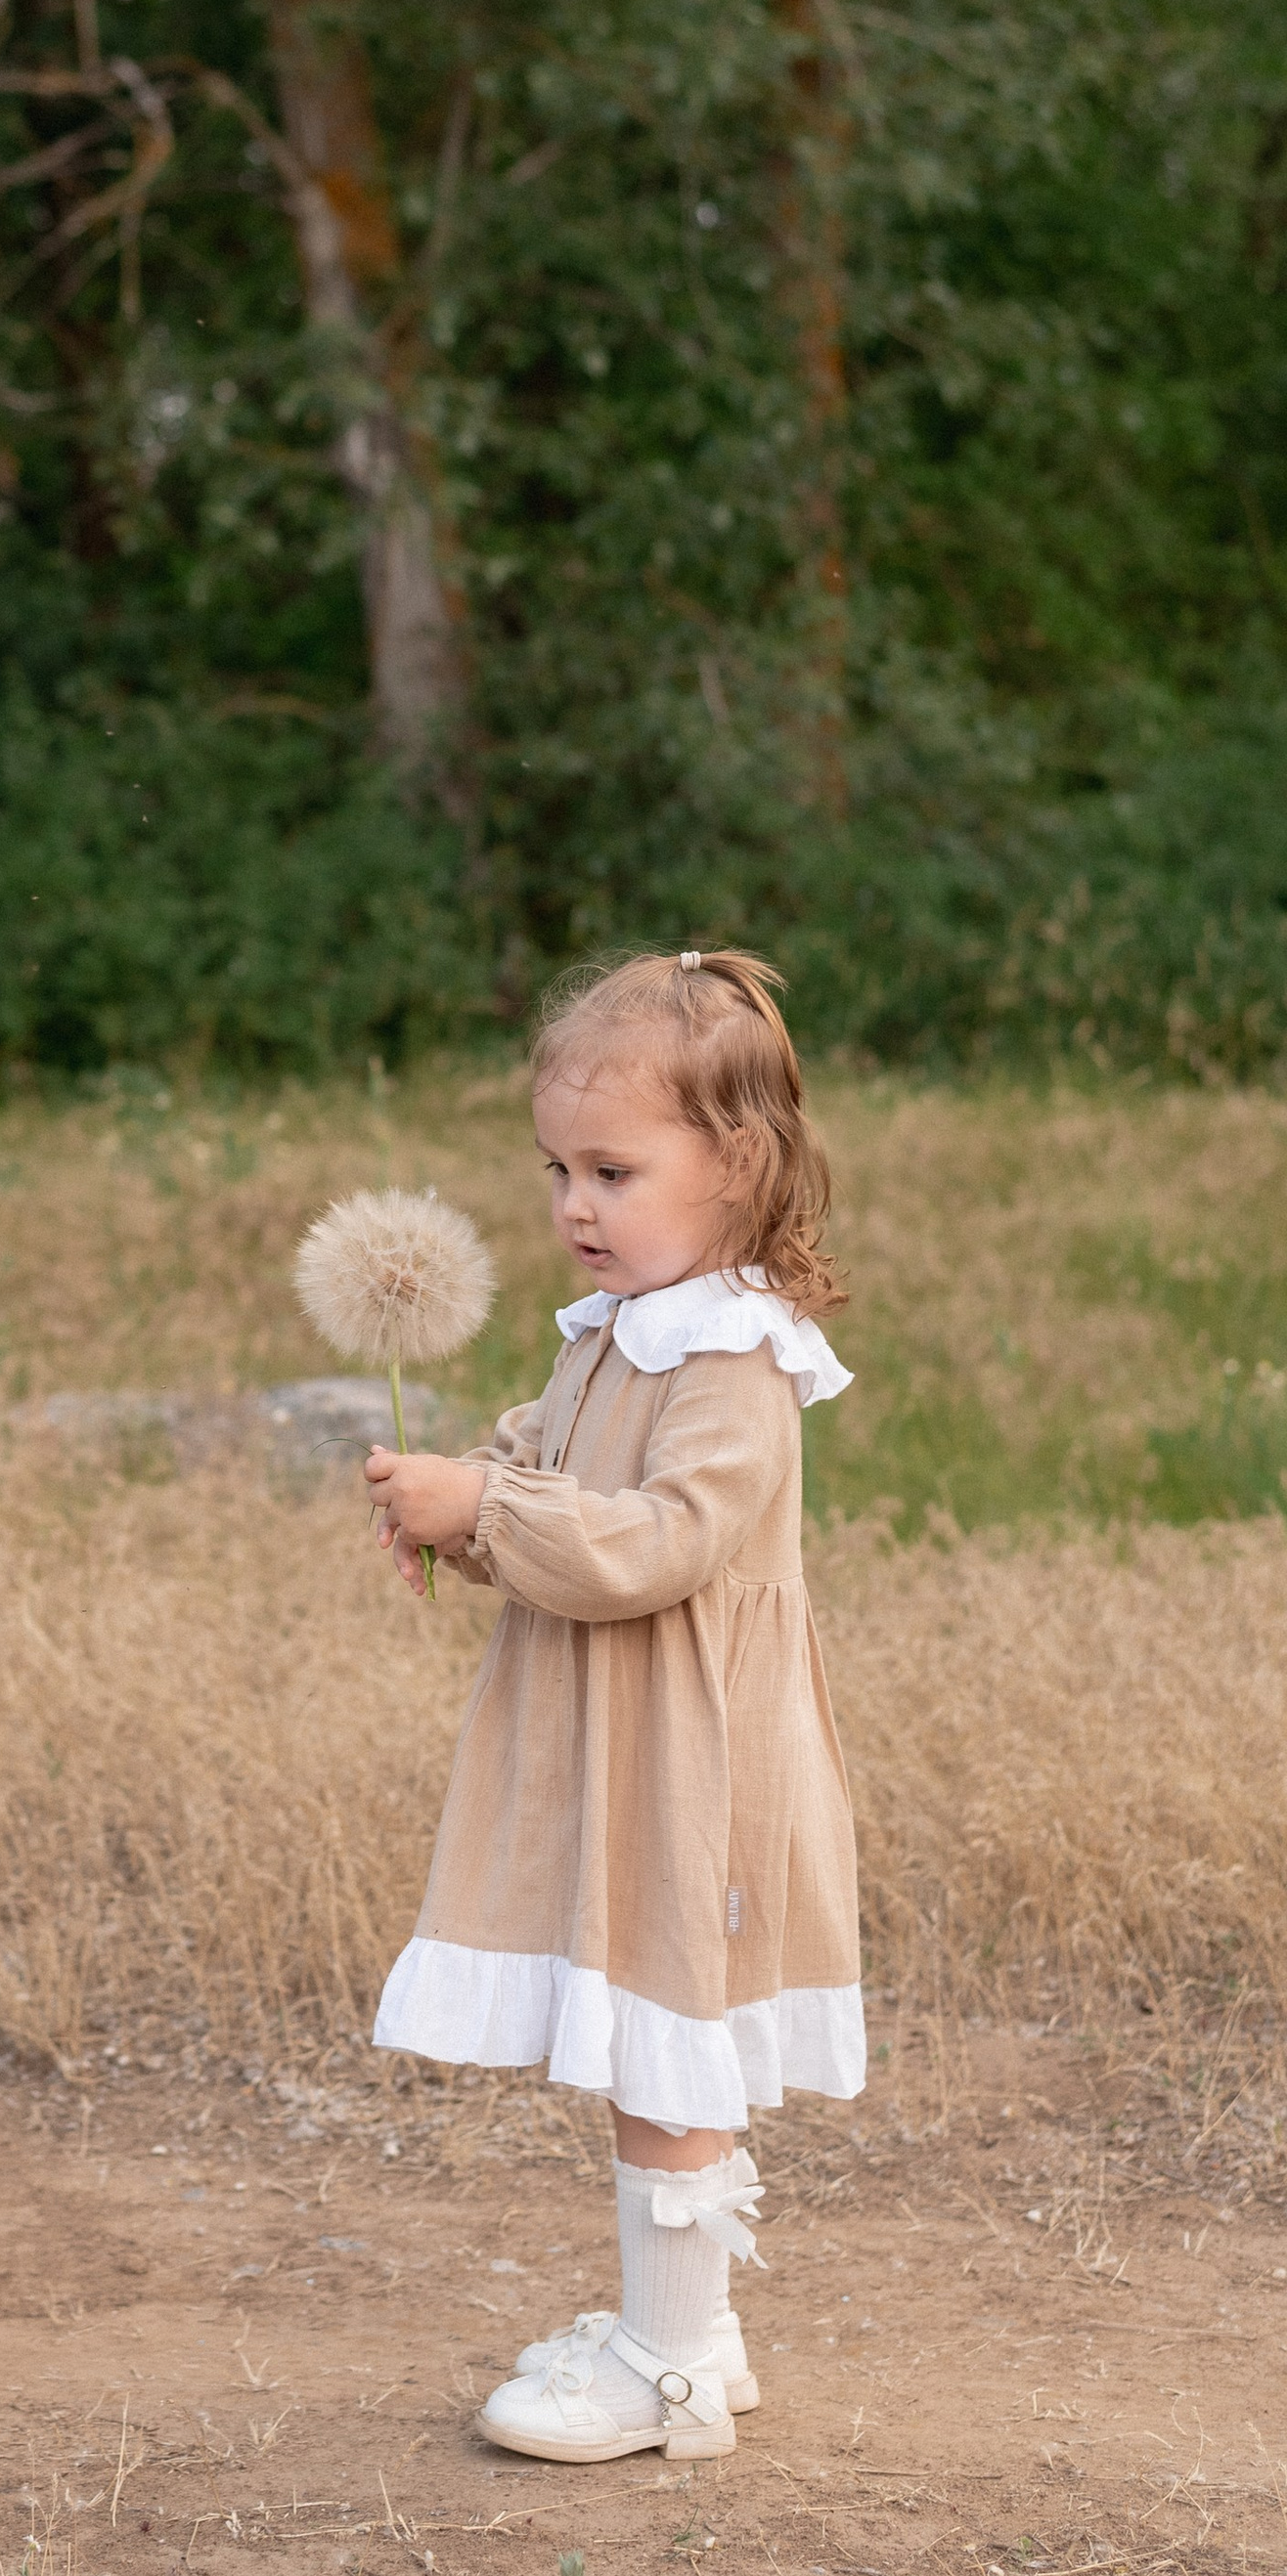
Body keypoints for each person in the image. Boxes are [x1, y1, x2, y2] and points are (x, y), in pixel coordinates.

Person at [358, 948, 862, 2465]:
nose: (576, 1205)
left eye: (615, 1169)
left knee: (665, 2039)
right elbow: (558, 1473)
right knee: (645, 2034)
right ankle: (688, 2328)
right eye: (558, 1169)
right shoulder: (625, 1328)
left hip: (691, 1763)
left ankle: (670, 2367)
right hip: (626, 1744)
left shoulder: (734, 1358)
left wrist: (493, 1512)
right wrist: (462, 1500)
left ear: (741, 1165)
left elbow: (657, 1543)